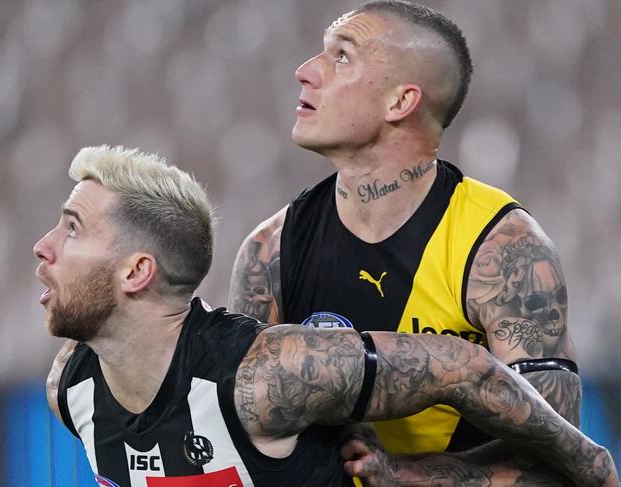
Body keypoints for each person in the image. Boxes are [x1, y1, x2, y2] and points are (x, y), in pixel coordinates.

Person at [38, 146, 617, 487]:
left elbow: (463, 366)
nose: (44, 247)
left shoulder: (267, 376)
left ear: (137, 272)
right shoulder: (70, 388)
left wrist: (589, 464)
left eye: (72, 228)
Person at [228, 1, 601, 484]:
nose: (304, 72)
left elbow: (560, 458)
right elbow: (246, 440)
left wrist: (410, 474)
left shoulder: (502, 250)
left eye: (342, 56)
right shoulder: (270, 252)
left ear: (400, 102)